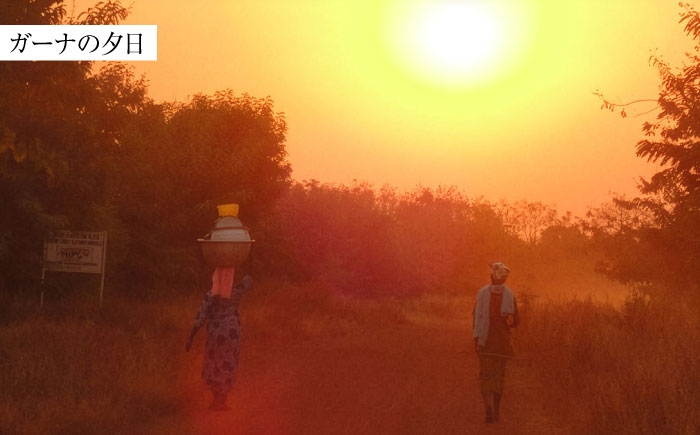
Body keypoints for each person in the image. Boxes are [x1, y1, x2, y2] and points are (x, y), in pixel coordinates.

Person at [186, 267, 253, 411]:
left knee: (214, 364)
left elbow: (200, 318)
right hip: (232, 334)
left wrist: (190, 338)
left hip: (216, 334)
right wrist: (248, 261)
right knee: (228, 364)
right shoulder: (236, 292)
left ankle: (216, 400)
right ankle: (222, 401)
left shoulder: (210, 295)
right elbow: (248, 279)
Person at [472, 262, 520, 423]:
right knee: (499, 377)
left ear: (491, 277)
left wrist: (476, 338)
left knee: (486, 375)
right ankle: (497, 412)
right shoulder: (510, 295)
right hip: (501, 343)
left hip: (484, 341)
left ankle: (488, 407)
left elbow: (476, 317)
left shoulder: (481, 294)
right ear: (504, 279)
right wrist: (507, 326)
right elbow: (516, 321)